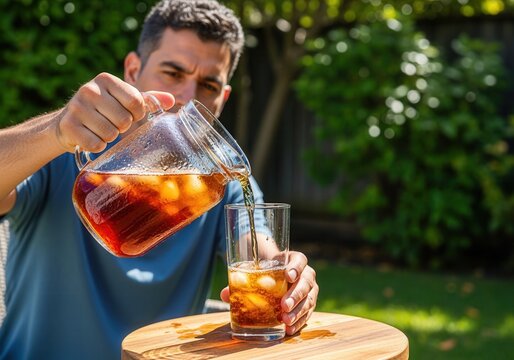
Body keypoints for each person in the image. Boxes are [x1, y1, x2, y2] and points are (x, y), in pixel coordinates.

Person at [0, 0, 319, 358]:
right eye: (173, 73)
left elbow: (258, 248)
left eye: (209, 85)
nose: (187, 98)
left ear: (223, 97)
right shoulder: (59, 155)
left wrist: (290, 281)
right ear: (133, 70)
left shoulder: (220, 182)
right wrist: (54, 132)